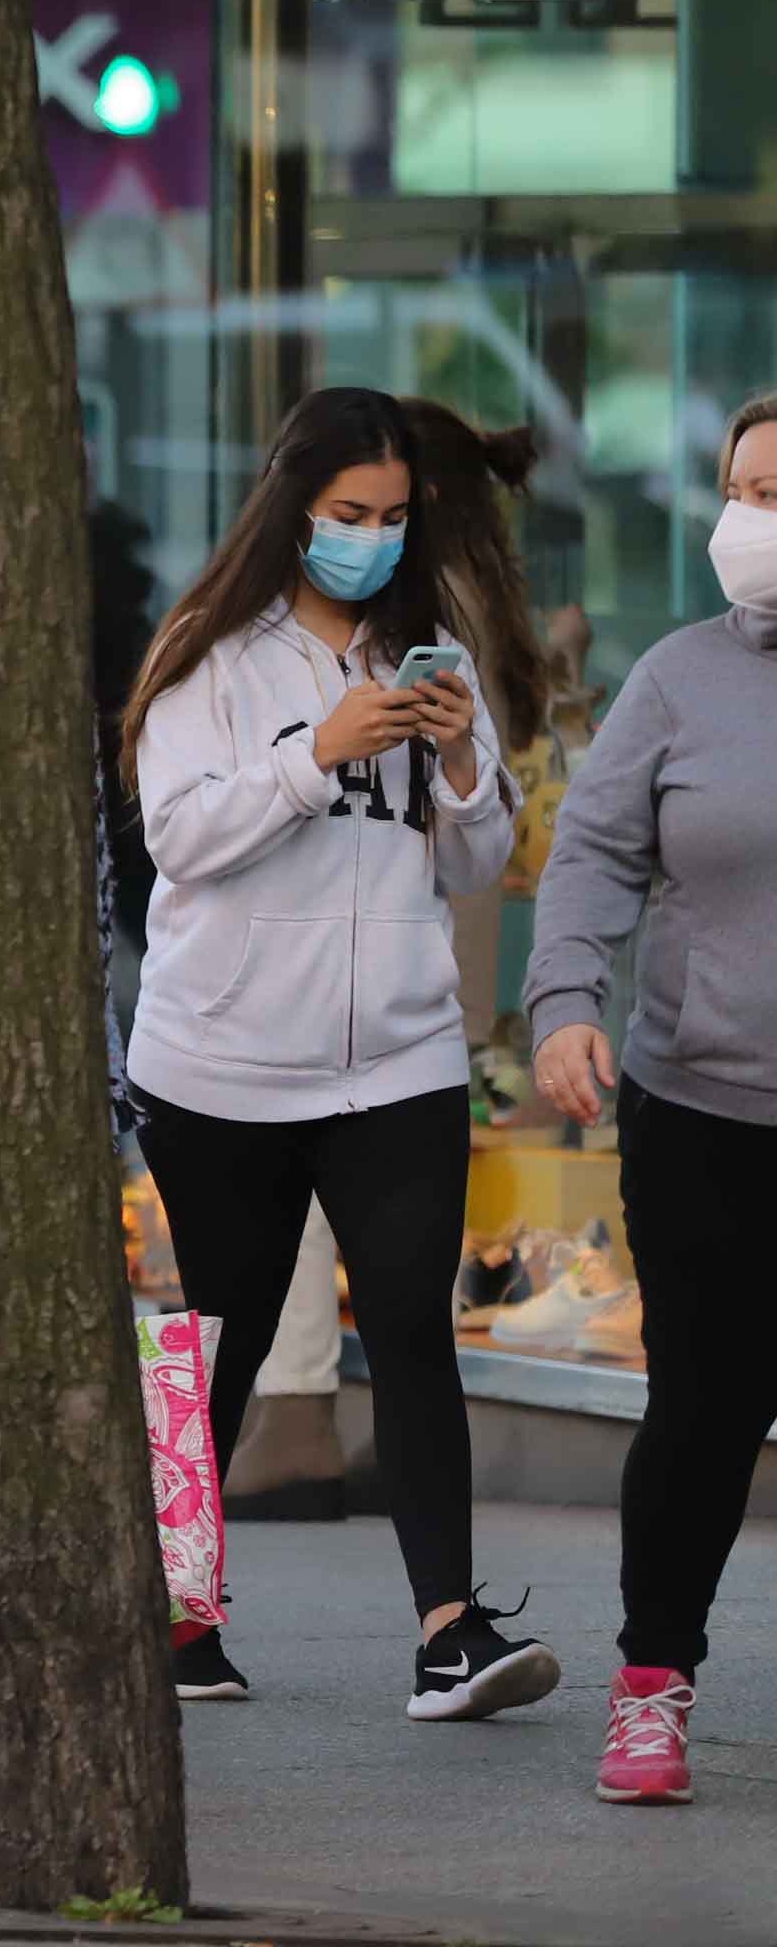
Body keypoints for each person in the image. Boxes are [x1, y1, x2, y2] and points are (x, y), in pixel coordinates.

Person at [122, 385, 552, 1719]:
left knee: (415, 1326)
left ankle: (450, 1634)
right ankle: (174, 1617)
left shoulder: (431, 655)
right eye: (346, 515)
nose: (369, 538)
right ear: (293, 509)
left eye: (392, 518)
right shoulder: (209, 652)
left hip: (399, 1058)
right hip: (227, 1060)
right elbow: (179, 838)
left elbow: (476, 860)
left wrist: (468, 758)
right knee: (228, 1335)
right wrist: (318, 754)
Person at [522, 385, 777, 1806]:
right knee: (703, 1409)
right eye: (746, 492)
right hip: (701, 1112)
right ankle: (651, 1687)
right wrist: (564, 1001)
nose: (756, 522)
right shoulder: (679, 677)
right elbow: (594, 858)